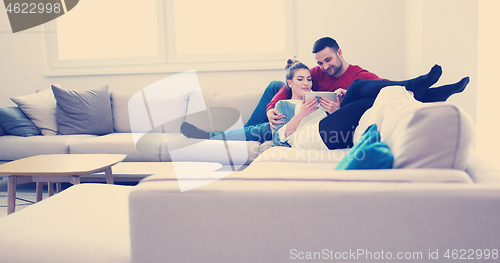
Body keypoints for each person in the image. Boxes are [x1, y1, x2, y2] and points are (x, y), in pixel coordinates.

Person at [180, 37, 386, 142]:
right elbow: (292, 82)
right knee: (273, 89)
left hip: (315, 125)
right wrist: (271, 109)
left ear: (340, 52)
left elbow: (386, 88)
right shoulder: (315, 73)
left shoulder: (360, 77)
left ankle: (231, 136)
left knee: (259, 130)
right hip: (294, 117)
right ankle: (236, 136)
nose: (324, 67)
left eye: (328, 60)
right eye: (320, 62)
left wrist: (344, 100)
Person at [272, 60, 469, 150]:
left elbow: (335, 118)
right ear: (290, 83)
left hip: (329, 128)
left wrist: (336, 108)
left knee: (362, 94)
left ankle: (427, 94)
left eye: (308, 78)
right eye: (300, 79)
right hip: (312, 137)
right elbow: (277, 140)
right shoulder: (282, 106)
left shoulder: (317, 96)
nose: (306, 83)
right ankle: (420, 90)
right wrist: (300, 115)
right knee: (359, 92)